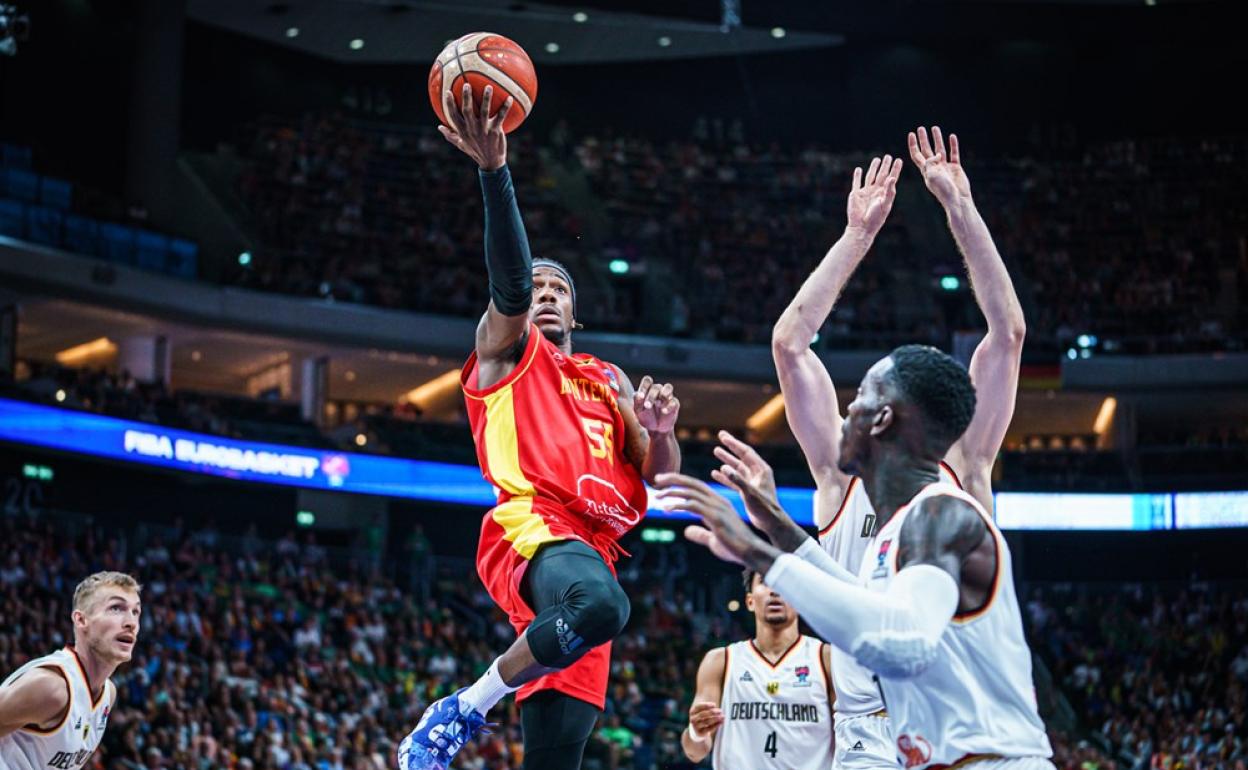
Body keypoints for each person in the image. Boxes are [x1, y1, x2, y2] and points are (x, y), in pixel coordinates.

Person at [398, 84, 683, 770]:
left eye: (561, 290)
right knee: (605, 607)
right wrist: (495, 173)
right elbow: (511, 288)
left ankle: (482, 706)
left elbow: (662, 477)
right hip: (532, 527)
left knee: (558, 758)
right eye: (541, 287)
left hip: (595, 547)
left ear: (576, 316)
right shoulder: (508, 350)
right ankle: (466, 707)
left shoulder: (607, 377)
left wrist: (660, 428)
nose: (547, 295)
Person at [748, 128, 1027, 769]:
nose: (852, 407)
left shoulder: (960, 469)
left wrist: (961, 207)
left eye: (871, 395)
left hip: (959, 718)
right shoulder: (836, 478)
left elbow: (1007, 333)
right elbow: (790, 343)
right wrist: (856, 237)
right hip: (866, 734)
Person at [658, 343, 1054, 770]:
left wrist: (757, 552)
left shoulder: (941, 512)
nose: (847, 411)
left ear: (883, 419)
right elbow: (865, 601)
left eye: (861, 396)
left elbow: (903, 646)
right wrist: (775, 528)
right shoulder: (900, 528)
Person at [682, 569, 834, 769]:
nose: (775, 590)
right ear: (750, 601)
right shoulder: (720, 661)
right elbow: (694, 752)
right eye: (765, 581)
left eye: (784, 582)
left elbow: (850, 737)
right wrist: (696, 732)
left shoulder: (827, 659)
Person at [0, 571, 142, 770]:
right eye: (116, 608)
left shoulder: (108, 694)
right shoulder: (52, 687)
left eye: (136, 612)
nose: (131, 623)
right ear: (81, 620)